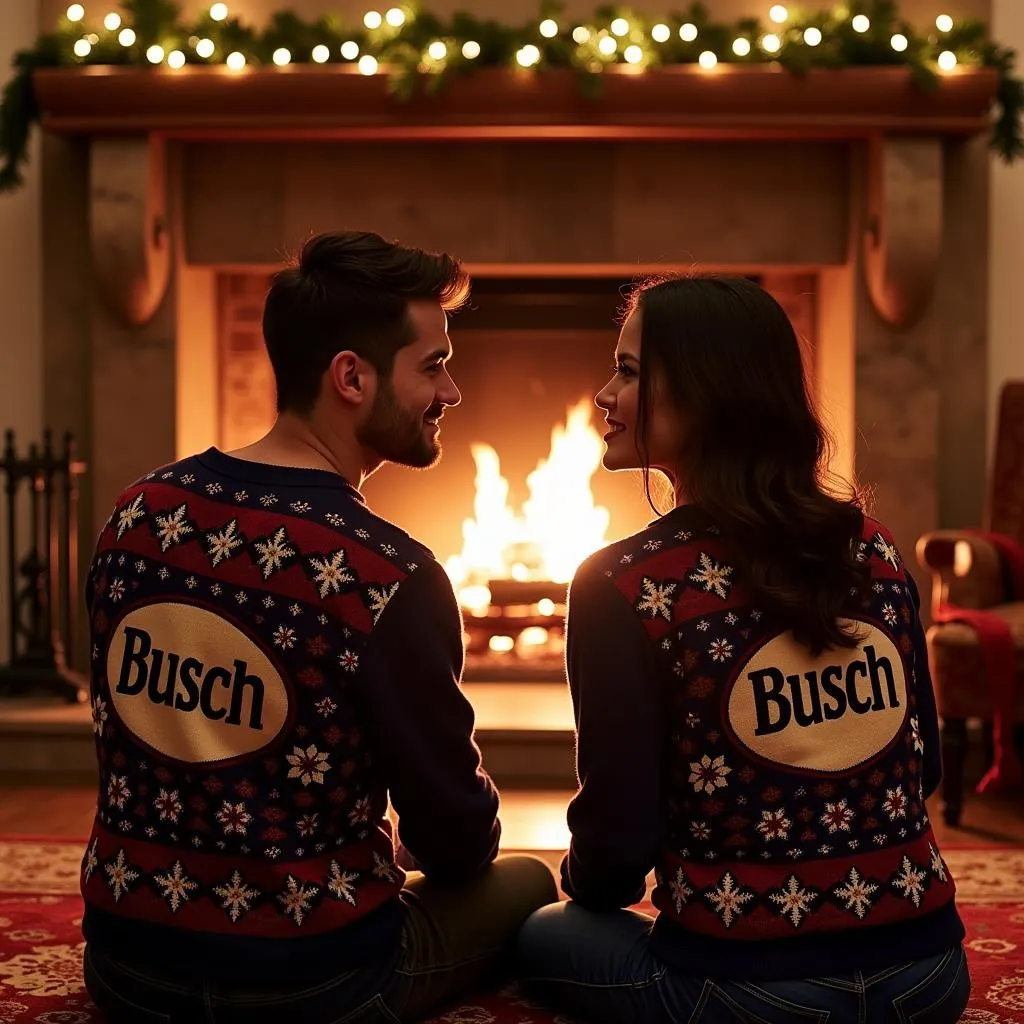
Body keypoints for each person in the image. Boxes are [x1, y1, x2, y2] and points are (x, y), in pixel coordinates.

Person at [80, 230, 556, 1024]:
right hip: (311, 986)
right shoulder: (383, 573)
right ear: (350, 376)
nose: (452, 394)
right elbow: (455, 842)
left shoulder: (137, 513)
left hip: (125, 965)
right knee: (532, 884)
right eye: (433, 366)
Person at [518, 275, 970, 1024]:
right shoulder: (876, 551)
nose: (603, 394)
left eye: (628, 372)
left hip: (743, 996)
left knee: (542, 929)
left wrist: (580, 881)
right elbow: (923, 771)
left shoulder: (623, 584)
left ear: (702, 392)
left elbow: (613, 860)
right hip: (929, 977)